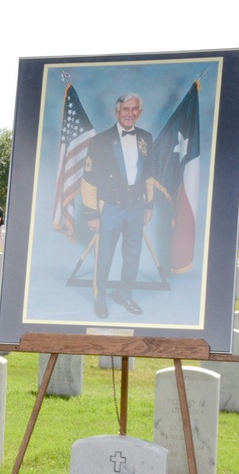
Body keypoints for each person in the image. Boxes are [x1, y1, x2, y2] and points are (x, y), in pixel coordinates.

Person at [81, 93, 155, 319]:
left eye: (134, 110)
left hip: (136, 207)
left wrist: (149, 204)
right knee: (104, 255)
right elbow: (88, 179)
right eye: (126, 110)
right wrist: (92, 214)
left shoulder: (146, 137)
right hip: (110, 208)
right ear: (117, 112)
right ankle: (100, 298)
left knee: (132, 255)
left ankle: (124, 294)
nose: (130, 114)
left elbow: (148, 174)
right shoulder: (101, 140)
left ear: (139, 112)